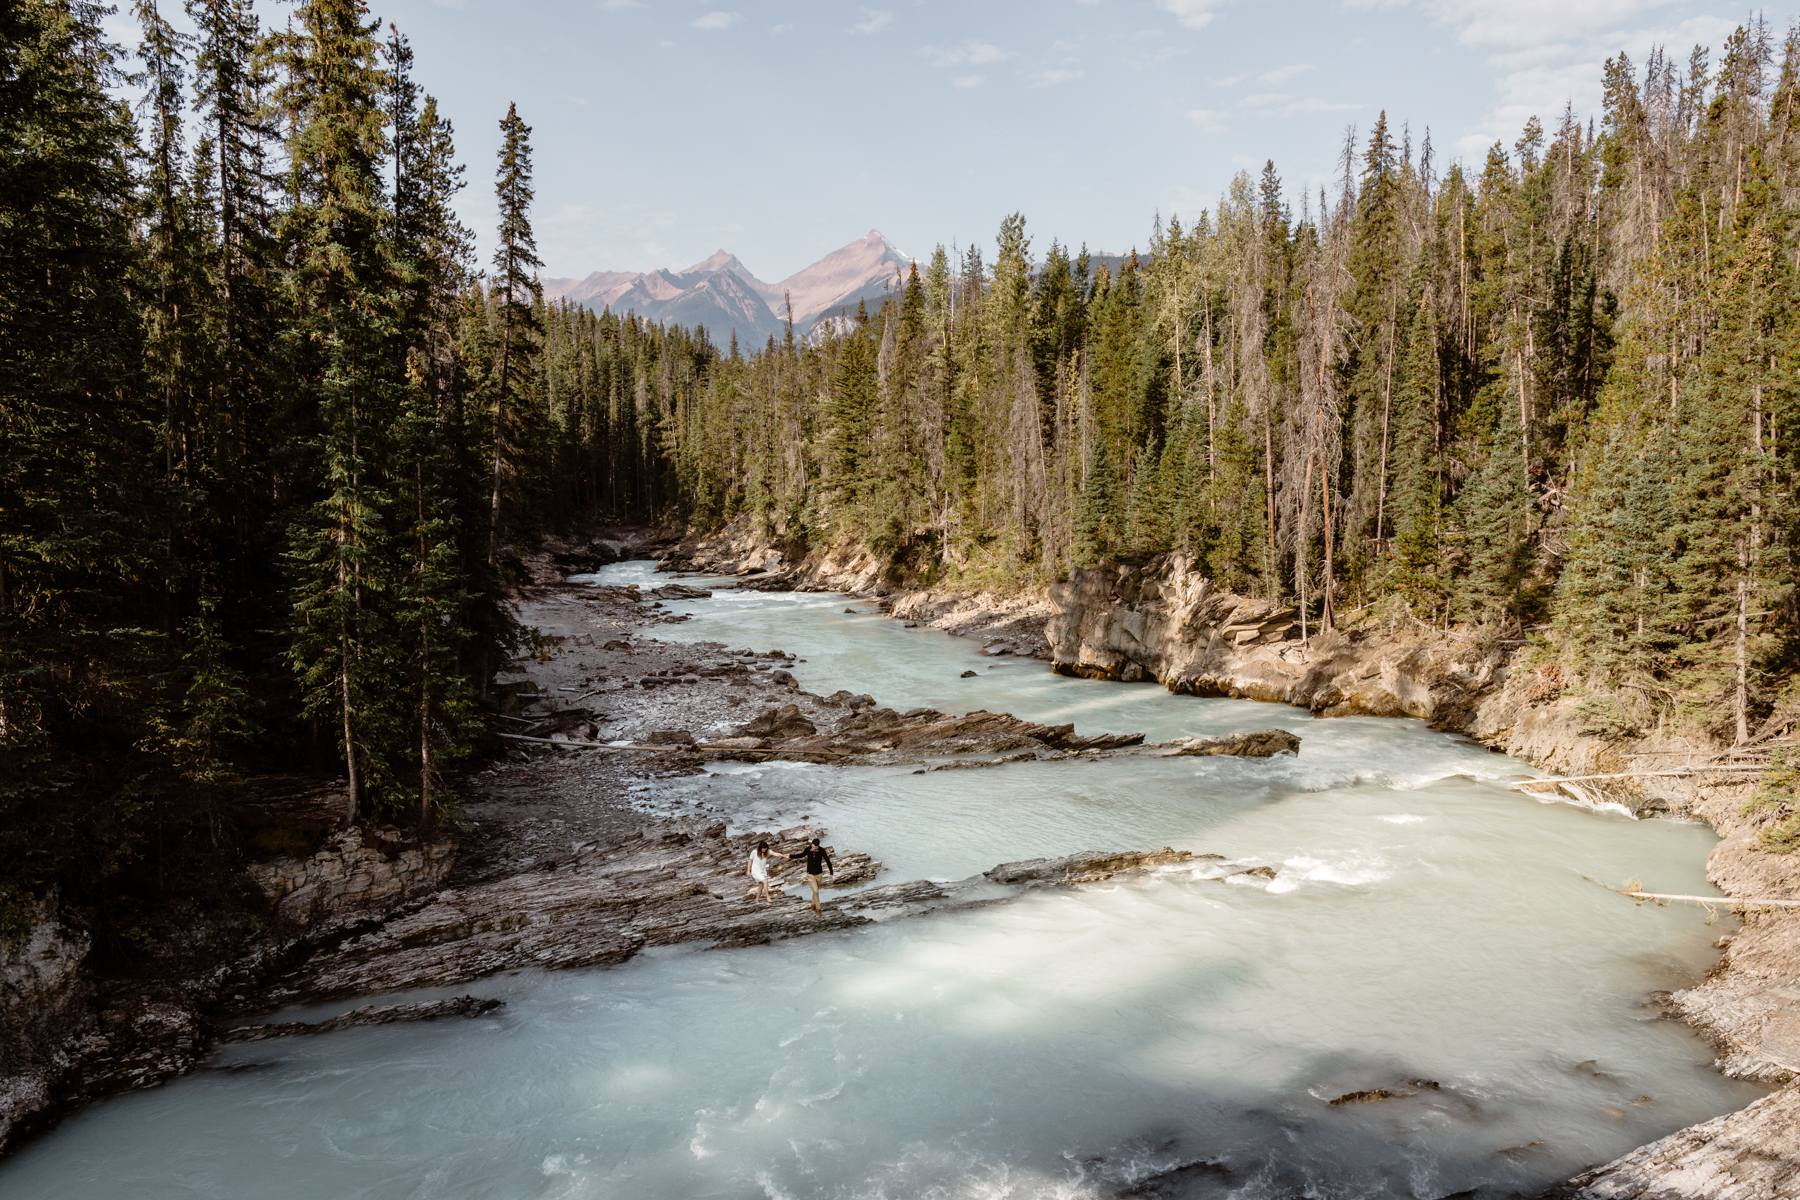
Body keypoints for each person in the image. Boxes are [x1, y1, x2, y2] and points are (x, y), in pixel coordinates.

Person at [783, 837, 834, 917]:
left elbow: (827, 860)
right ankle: (818, 910)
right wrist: (789, 856)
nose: (813, 848)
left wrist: (831, 872)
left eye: (814, 847)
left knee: (815, 891)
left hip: (819, 874)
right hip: (810, 874)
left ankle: (813, 905)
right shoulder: (808, 849)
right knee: (816, 891)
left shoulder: (822, 850)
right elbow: (801, 855)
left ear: (818, 846)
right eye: (812, 846)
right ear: (812, 844)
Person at [746, 840, 776, 906]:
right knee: (765, 882)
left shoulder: (768, 851)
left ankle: (756, 900)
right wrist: (748, 870)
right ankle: (768, 897)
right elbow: (750, 861)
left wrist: (785, 855)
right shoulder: (754, 852)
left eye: (765, 849)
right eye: (763, 849)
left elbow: (776, 854)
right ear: (760, 848)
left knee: (761, 886)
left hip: (762, 871)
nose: (764, 850)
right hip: (755, 871)